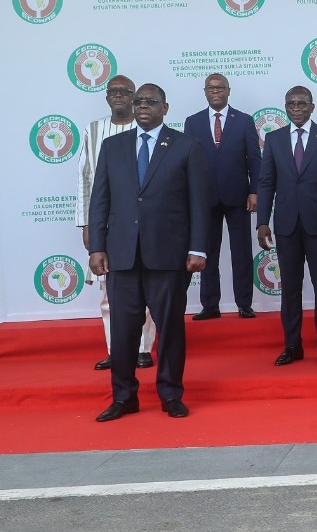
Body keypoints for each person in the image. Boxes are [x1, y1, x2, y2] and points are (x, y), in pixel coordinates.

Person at [88, 84, 210, 422]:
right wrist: (97, 246)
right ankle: (124, 397)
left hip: (168, 256)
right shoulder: (112, 147)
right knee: (124, 331)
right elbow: (100, 201)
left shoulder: (187, 146)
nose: (143, 106)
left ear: (165, 108)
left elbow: (199, 203)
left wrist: (198, 248)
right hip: (122, 256)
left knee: (170, 328)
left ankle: (170, 394)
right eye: (138, 100)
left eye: (151, 101)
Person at [75, 75, 156, 371]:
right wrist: (86, 225)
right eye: (113, 92)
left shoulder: (147, 129)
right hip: (106, 223)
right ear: (107, 97)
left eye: (126, 92)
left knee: (146, 288)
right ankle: (115, 349)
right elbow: (85, 179)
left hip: (143, 223)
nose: (119, 96)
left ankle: (143, 348)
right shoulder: (93, 130)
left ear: (136, 99)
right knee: (109, 292)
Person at [257, 86, 317, 366]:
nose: (296, 108)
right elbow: (267, 182)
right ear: (285, 106)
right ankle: (292, 346)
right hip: (286, 225)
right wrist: (262, 222)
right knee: (290, 288)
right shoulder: (274, 139)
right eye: (291, 103)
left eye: (301, 103)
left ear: (312, 107)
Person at [185, 73, 261, 320]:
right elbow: (188, 162)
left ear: (229, 91)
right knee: (207, 252)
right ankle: (210, 305)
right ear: (204, 92)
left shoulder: (245, 121)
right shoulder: (193, 122)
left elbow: (254, 159)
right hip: (204, 198)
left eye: (220, 88)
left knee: (241, 252)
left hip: (238, 195)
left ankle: (244, 303)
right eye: (211, 88)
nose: (215, 91)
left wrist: (254, 191)